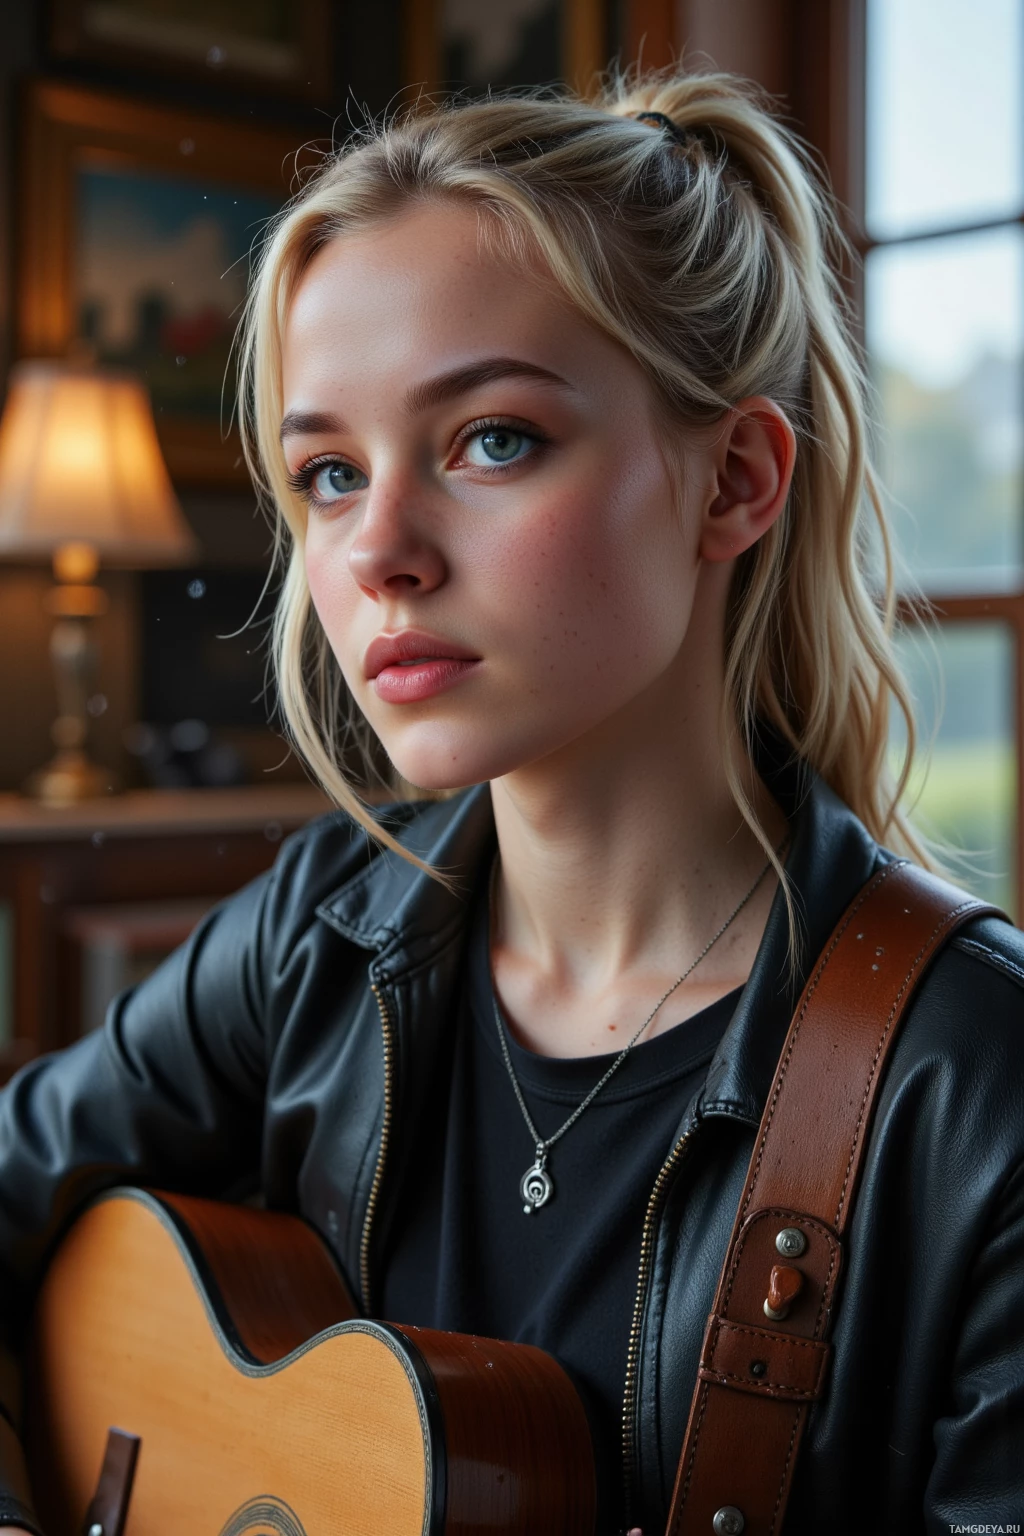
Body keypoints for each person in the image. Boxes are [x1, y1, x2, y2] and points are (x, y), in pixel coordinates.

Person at [1, 67, 1022, 1536]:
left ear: (734, 481)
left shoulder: (977, 1093)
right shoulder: (322, 939)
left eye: (493, 439)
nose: (380, 552)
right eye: (331, 473)